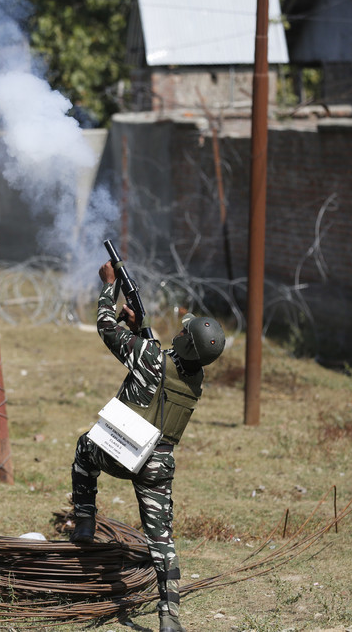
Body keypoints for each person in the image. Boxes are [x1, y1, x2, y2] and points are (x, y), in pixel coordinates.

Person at [69, 260, 226, 632]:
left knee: (83, 452)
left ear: (186, 341)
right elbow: (162, 359)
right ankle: (170, 616)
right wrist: (139, 325)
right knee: (162, 539)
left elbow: (106, 329)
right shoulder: (195, 377)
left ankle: (85, 522)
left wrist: (109, 286)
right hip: (157, 465)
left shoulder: (150, 357)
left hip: (121, 452)